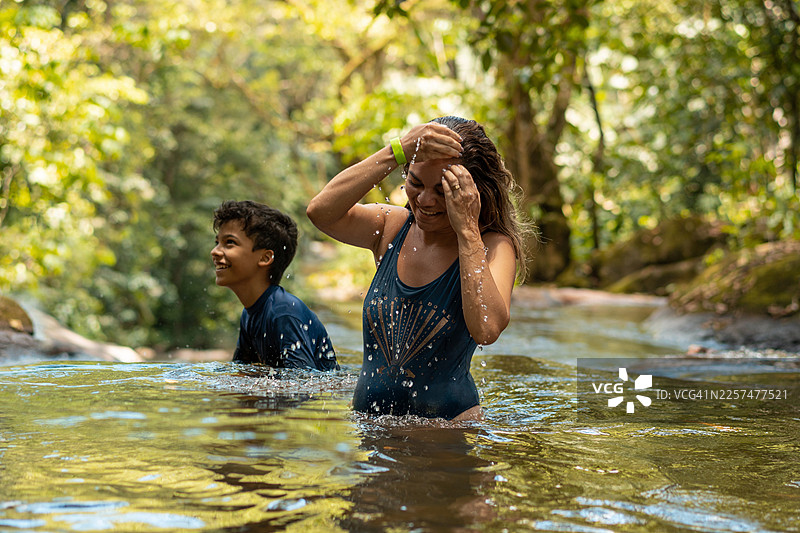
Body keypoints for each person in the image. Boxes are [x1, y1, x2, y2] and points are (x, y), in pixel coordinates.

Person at [307, 116, 528, 420]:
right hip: (373, 434)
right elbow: (321, 213)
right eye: (415, 182)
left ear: (471, 192)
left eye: (442, 190)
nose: (425, 200)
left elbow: (487, 329)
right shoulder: (390, 227)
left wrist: (467, 230)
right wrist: (398, 150)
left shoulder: (493, 246)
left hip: (448, 439)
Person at [211, 200, 338, 371]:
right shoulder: (249, 313)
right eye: (217, 242)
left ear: (265, 258)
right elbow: (241, 372)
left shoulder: (283, 311)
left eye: (230, 243)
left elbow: (302, 384)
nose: (215, 251)